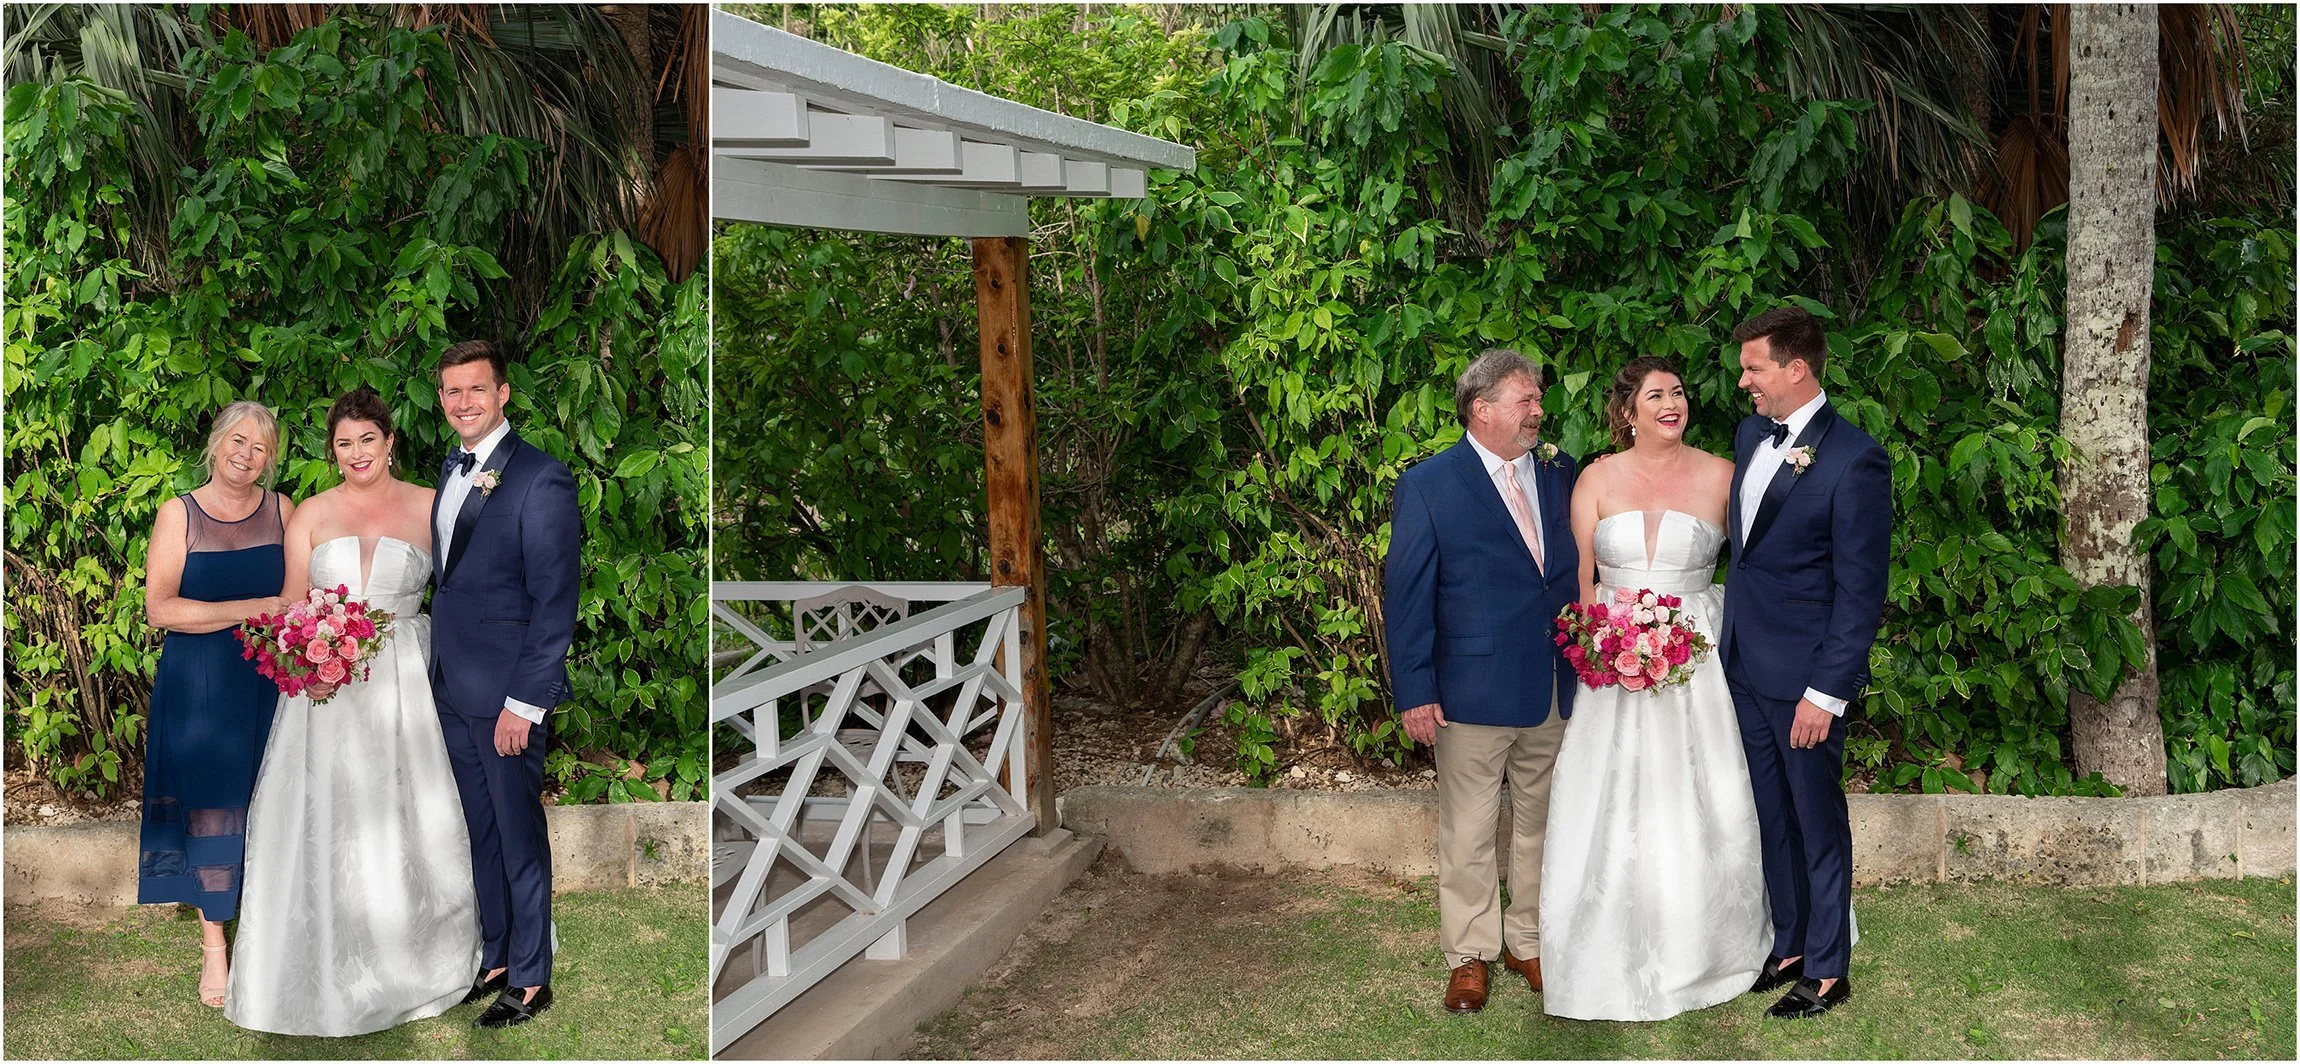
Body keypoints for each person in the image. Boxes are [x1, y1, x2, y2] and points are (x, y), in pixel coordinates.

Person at [225, 386, 482, 1035]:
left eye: (368, 439)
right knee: (324, 822)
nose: (357, 452)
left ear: (390, 442)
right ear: (332, 451)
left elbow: (468, 594)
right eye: (345, 443)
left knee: (410, 819)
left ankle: (418, 957)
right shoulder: (309, 513)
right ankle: (315, 958)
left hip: (405, 688)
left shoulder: (432, 505)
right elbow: (289, 606)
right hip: (324, 695)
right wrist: (301, 664)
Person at [1538, 356, 1772, 1021]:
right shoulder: (1597, 479)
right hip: (1610, 663)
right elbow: (1579, 578)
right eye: (1656, 395)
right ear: (1628, 409)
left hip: (1696, 659)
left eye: (1678, 393)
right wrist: (1594, 648)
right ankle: (1598, 938)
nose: (1672, 403)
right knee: (1609, 796)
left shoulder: (1723, 477)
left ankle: (1706, 947)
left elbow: (1761, 569)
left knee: (1706, 795)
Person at [1382, 348, 1580, 1014]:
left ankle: (1529, 941)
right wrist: (1413, 689)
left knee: (1541, 823)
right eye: (1525, 400)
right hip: (1467, 689)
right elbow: (1406, 595)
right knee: (1467, 829)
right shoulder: (1429, 485)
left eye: (1537, 400)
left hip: (1552, 681)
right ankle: (1469, 956)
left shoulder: (1560, 474)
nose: (1538, 411)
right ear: (1481, 407)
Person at [1721, 306, 1891, 1018]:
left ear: (1796, 368)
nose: (1742, 381)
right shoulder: (1750, 435)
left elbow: (1861, 592)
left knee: (1818, 821)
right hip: (1744, 665)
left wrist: (1827, 693)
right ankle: (1788, 943)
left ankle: (1826, 969)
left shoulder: (1856, 459)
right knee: (1772, 815)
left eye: (1753, 367)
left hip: (1805, 684)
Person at [428, 339, 581, 1028]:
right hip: (451, 688)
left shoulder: (541, 479)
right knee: (480, 832)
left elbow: (555, 603)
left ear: (503, 394)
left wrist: (526, 703)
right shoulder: (448, 469)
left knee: (518, 835)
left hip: (507, 700)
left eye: (476, 390)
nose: (464, 403)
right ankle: (494, 957)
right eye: (452, 392)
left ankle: (530, 978)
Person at [139, 401, 295, 1007]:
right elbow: (161, 609)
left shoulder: (282, 511)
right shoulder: (178, 513)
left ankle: (265, 930)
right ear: (215, 441)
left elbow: (296, 598)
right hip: (200, 683)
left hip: (269, 683)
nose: (246, 454)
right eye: (238, 439)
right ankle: (215, 949)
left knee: (267, 801)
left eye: (260, 447)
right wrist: (247, 612)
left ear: (271, 459)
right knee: (211, 807)